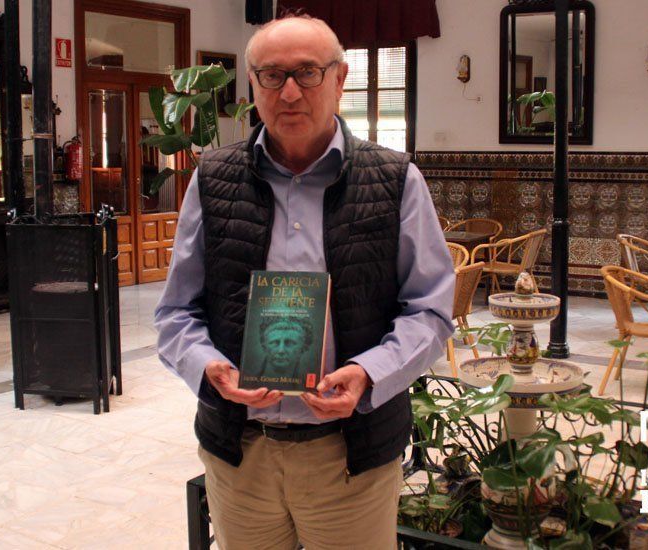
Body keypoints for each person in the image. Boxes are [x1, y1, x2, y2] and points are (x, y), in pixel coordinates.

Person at [154, 14, 454, 549]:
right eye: (272, 75)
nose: (289, 91)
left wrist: (367, 373)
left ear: (339, 81)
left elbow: (429, 312)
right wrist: (209, 368)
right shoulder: (212, 178)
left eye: (308, 73)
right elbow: (177, 312)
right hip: (241, 455)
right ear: (253, 84)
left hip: (349, 457)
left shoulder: (395, 180)